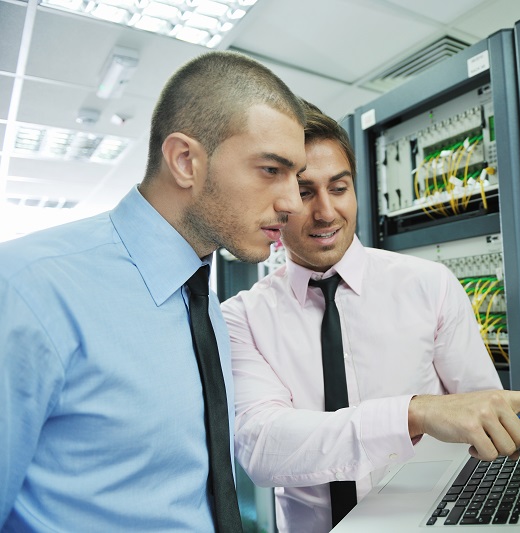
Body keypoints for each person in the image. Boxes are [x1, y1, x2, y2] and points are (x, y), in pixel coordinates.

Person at [221, 103, 520, 533]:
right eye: (304, 192)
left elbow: (483, 409)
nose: (326, 212)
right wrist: (413, 414)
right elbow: (263, 448)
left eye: (339, 188)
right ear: (277, 200)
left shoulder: (429, 284)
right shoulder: (241, 317)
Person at [0, 51, 307, 532]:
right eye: (271, 169)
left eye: (295, 177)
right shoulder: (27, 290)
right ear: (185, 161)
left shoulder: (202, 302)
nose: (293, 203)